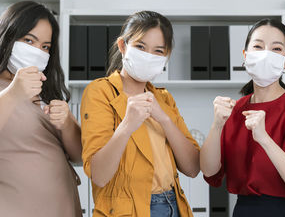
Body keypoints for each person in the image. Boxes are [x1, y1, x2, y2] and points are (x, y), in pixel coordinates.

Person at [0, 1, 81, 217]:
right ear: (6, 38)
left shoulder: (44, 94)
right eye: (28, 40)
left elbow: (80, 156)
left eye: (45, 47)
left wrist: (68, 123)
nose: (38, 52)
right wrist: (14, 93)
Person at [80, 11, 200, 217]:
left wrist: (164, 119)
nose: (148, 56)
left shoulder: (164, 99)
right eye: (140, 47)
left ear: (166, 57)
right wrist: (127, 125)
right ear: (122, 46)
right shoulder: (100, 92)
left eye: (158, 51)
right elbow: (99, 175)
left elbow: (192, 168)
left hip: (174, 206)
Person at [200, 19, 285, 217]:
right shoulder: (235, 109)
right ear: (245, 55)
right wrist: (217, 125)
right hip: (242, 210)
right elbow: (209, 171)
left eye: (276, 49)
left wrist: (264, 138)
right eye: (258, 46)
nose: (266, 54)